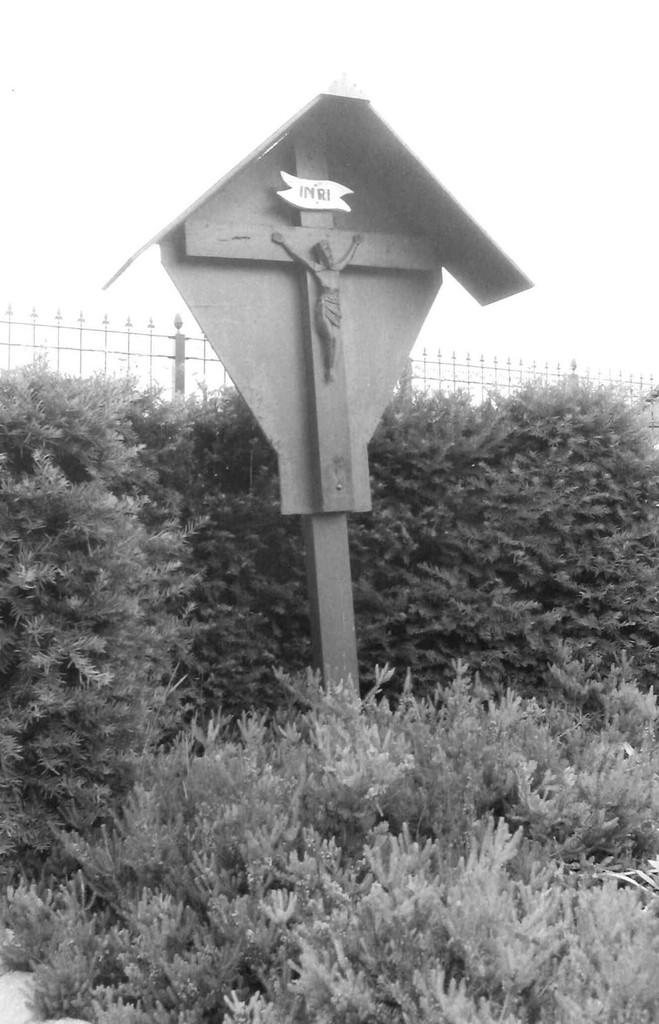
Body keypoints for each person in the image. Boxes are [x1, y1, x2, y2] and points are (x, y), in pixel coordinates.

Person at [272, 231, 362, 381]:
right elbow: (298, 257)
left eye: (329, 252)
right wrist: (283, 243)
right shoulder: (317, 269)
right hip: (323, 305)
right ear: (321, 256)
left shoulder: (337, 269)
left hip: (335, 306)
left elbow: (348, 258)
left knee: (336, 339)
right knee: (330, 336)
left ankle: (330, 368)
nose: (329, 256)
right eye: (325, 253)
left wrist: (355, 244)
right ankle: (329, 368)